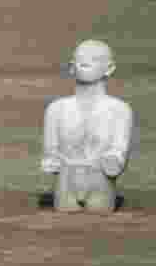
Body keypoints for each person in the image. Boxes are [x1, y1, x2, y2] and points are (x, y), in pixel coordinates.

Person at [41, 39, 136, 213]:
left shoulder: (119, 109)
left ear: (109, 69)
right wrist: (51, 159)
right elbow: (50, 152)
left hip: (101, 183)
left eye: (95, 59)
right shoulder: (56, 108)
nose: (85, 62)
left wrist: (114, 159)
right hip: (66, 183)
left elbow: (119, 151)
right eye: (80, 59)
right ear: (71, 67)